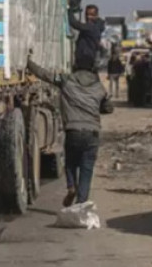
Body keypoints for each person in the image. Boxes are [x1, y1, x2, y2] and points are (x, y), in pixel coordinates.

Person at [27, 53, 113, 207]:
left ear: (75, 65)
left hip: (73, 131)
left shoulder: (66, 80)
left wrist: (27, 62)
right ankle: (81, 204)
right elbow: (108, 108)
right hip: (92, 133)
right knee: (86, 170)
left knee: (70, 163)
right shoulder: (99, 87)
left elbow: (44, 75)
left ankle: (71, 186)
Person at [69, 4, 105, 70]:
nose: (88, 17)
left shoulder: (92, 27)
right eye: (87, 14)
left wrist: (69, 10)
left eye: (91, 15)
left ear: (96, 16)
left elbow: (75, 24)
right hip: (86, 58)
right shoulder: (96, 26)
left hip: (85, 59)